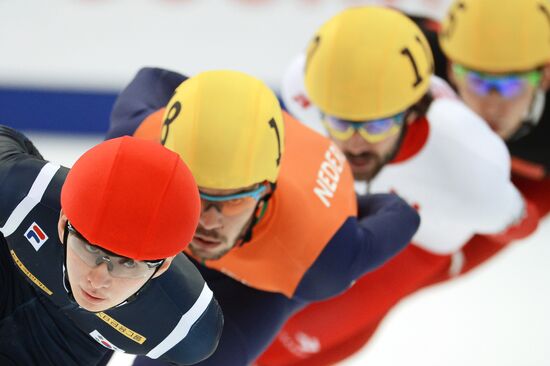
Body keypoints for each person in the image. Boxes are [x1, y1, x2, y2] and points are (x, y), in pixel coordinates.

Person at [256, 6, 539, 365]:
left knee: (292, 342)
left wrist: (454, 257)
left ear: (413, 110)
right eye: (340, 124)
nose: (355, 144)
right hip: (368, 209)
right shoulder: (304, 82)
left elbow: (523, 218)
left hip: (419, 241)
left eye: (375, 128)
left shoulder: (472, 170)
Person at [106, 68, 421, 365]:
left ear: (266, 190)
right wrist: (202, 113)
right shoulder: (136, 138)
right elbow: (151, 78)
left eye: (233, 200)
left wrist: (348, 206)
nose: (209, 221)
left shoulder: (322, 258)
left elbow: (401, 213)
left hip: (259, 284)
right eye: (195, 194)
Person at [0, 126, 223, 365]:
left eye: (127, 264)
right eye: (90, 248)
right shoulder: (19, 193)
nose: (96, 280)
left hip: (64, 348)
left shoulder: (185, 329)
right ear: (64, 222)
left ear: (162, 267)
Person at [436, 0, 550, 217]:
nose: (492, 105)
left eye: (512, 85)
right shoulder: (420, 70)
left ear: (545, 77)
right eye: (477, 81)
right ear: (450, 69)